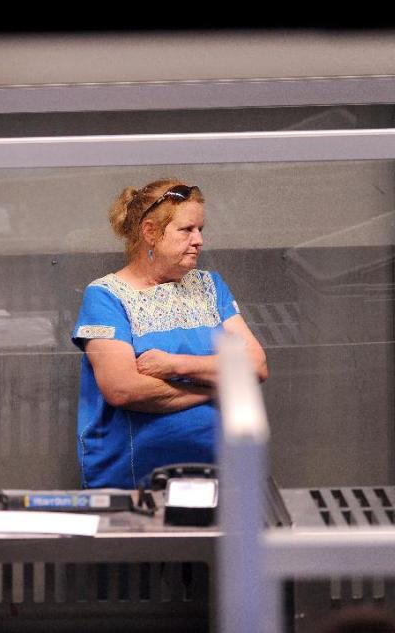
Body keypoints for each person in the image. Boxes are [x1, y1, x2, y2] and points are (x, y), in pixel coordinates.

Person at [71, 179, 268, 489]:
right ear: (150, 232)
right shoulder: (107, 296)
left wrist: (175, 366)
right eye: (187, 230)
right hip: (134, 482)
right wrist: (218, 387)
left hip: (218, 476)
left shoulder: (210, 287)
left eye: (200, 229)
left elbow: (256, 366)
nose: (199, 240)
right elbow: (122, 389)